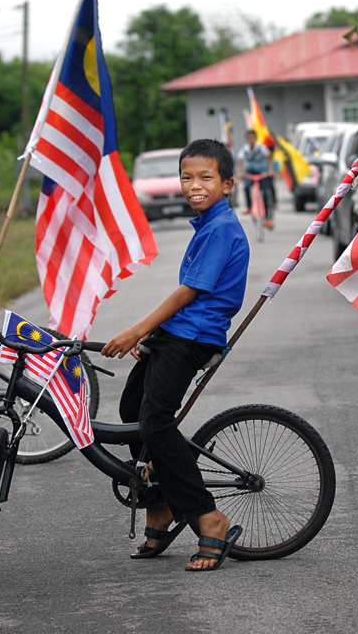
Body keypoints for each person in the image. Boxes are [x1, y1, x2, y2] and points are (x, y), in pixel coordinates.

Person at [102, 139, 250, 572]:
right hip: (175, 334)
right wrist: (152, 338)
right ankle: (160, 504)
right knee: (133, 412)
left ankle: (209, 517)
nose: (194, 186)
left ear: (227, 184)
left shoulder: (222, 228)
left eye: (206, 178)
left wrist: (137, 331)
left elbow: (189, 292)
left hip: (193, 337)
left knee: (155, 422)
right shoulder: (207, 224)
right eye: (187, 177)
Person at [236, 129, 274, 229]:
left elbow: (269, 158)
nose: (251, 140)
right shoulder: (244, 149)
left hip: (262, 173)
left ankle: (268, 218)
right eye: (249, 138)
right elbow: (239, 162)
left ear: (255, 138)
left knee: (266, 193)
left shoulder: (262, 148)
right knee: (246, 187)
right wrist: (239, 172)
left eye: (252, 138)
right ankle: (249, 206)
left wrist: (270, 170)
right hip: (250, 173)